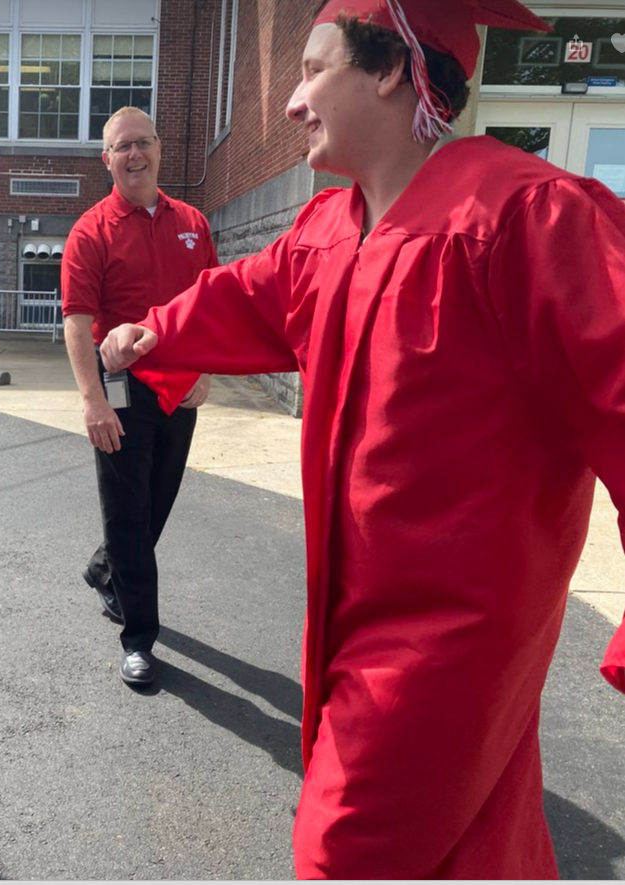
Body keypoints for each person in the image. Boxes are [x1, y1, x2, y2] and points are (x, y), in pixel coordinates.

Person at [100, 0, 625, 876]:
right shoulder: (328, 230)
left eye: (312, 69)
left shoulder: (528, 219)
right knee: (475, 849)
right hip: (345, 617)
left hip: (448, 643)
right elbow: (243, 295)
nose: (292, 103)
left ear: (388, 69)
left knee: (344, 849)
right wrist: (151, 331)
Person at [62, 107, 218, 686]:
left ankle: (106, 569)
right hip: (122, 390)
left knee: (155, 503)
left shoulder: (194, 223)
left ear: (158, 149)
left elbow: (210, 303)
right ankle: (139, 638)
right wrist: (92, 402)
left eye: (143, 143)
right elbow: (78, 324)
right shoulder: (91, 231)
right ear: (107, 159)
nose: (134, 155)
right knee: (127, 511)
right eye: (121, 147)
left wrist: (207, 369)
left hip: (181, 386)